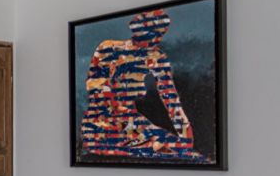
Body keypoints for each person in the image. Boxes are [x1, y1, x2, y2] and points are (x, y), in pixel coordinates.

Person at [78, 9, 200, 160]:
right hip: (101, 126)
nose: (157, 39)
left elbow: (171, 100)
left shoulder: (156, 57)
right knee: (160, 150)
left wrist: (186, 135)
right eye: (153, 33)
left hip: (134, 125)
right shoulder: (108, 48)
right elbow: (95, 89)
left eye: (160, 34)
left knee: (179, 149)